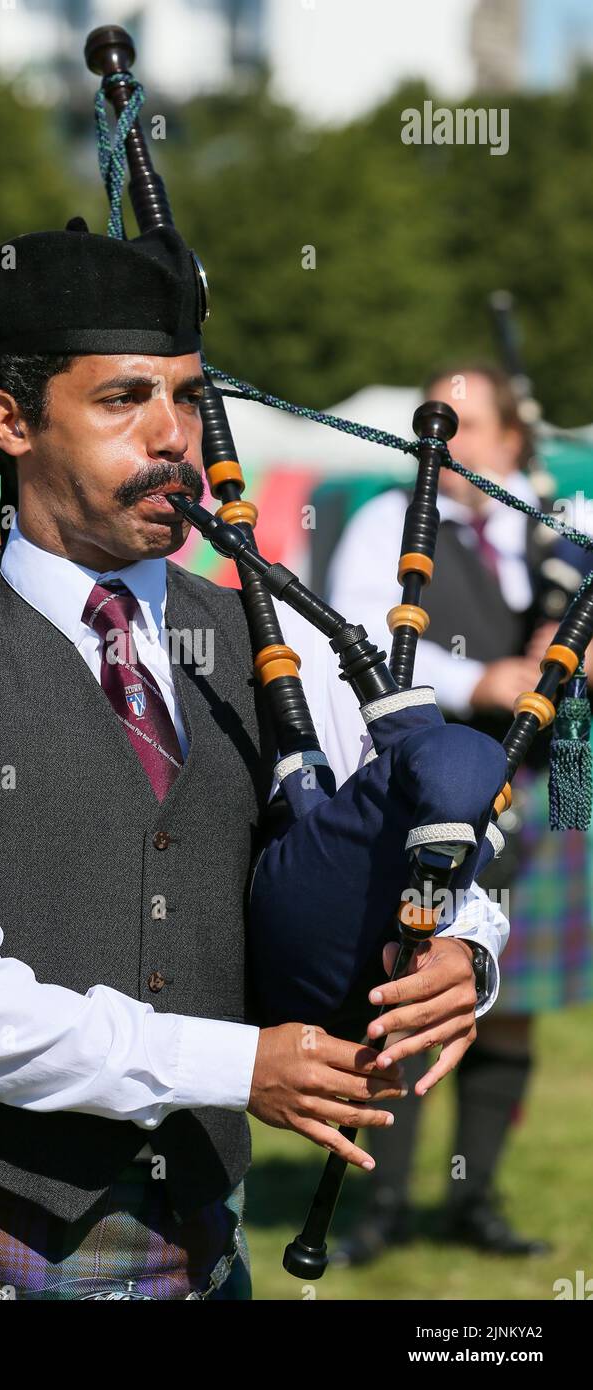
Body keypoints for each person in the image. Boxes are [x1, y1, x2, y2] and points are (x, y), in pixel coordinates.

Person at [0, 221, 507, 1301]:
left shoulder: (273, 643)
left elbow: (405, 814)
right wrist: (235, 1065)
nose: (171, 436)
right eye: (120, 400)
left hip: (190, 1247)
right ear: (9, 420)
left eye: (187, 398)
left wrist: (463, 947)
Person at [326, 361, 592, 1262]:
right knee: (417, 989)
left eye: (467, 426)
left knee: (517, 1010)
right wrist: (483, 676)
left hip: (555, 785)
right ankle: (380, 1206)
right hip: (442, 785)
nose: (444, 441)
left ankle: (475, 1199)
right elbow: (366, 639)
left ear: (514, 441)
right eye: (432, 422)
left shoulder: (556, 523)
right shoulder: (383, 520)